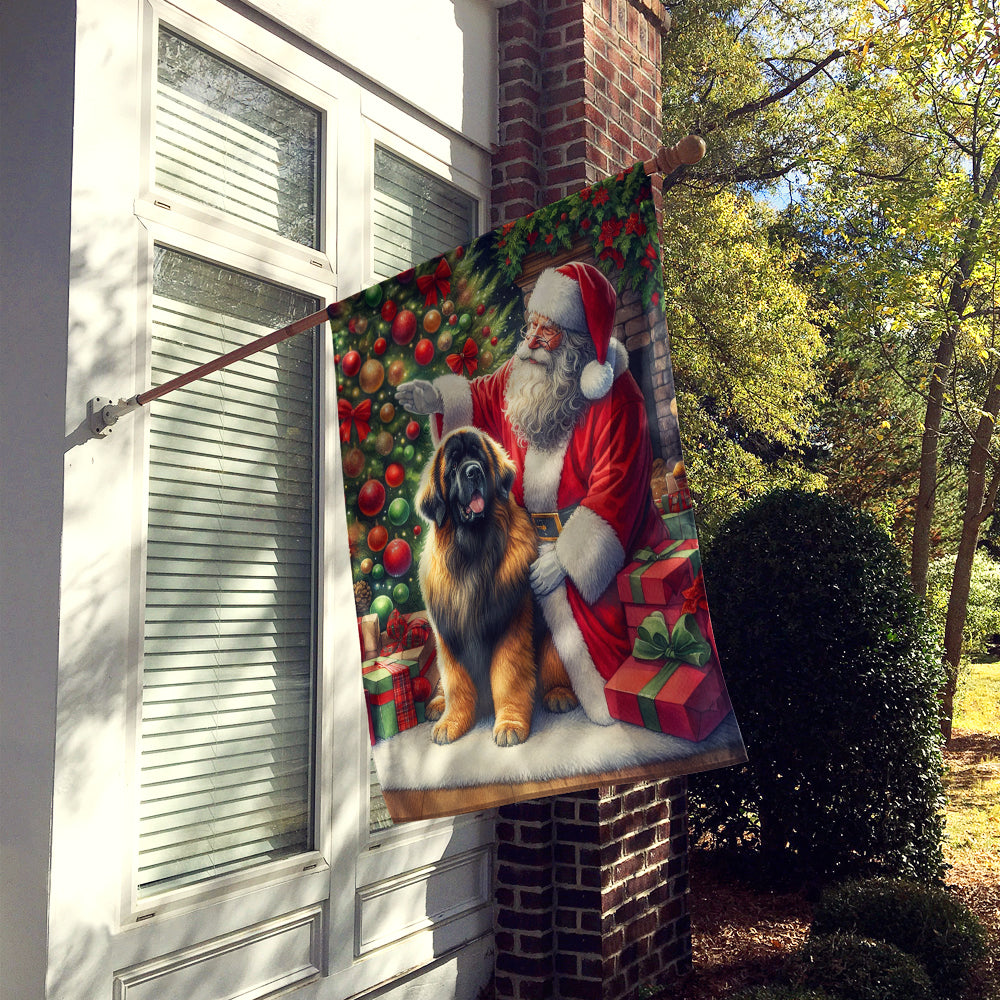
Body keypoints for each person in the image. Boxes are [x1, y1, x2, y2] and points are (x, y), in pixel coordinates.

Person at [397, 262, 667, 725]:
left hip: (582, 560)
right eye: (532, 324)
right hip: (522, 543)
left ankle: (568, 688)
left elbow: (615, 491)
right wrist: (439, 400)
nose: (533, 340)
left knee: (592, 664)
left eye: (550, 330)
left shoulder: (618, 398)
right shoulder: (522, 371)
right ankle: (479, 695)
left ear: (579, 341)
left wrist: (564, 559)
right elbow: (481, 397)